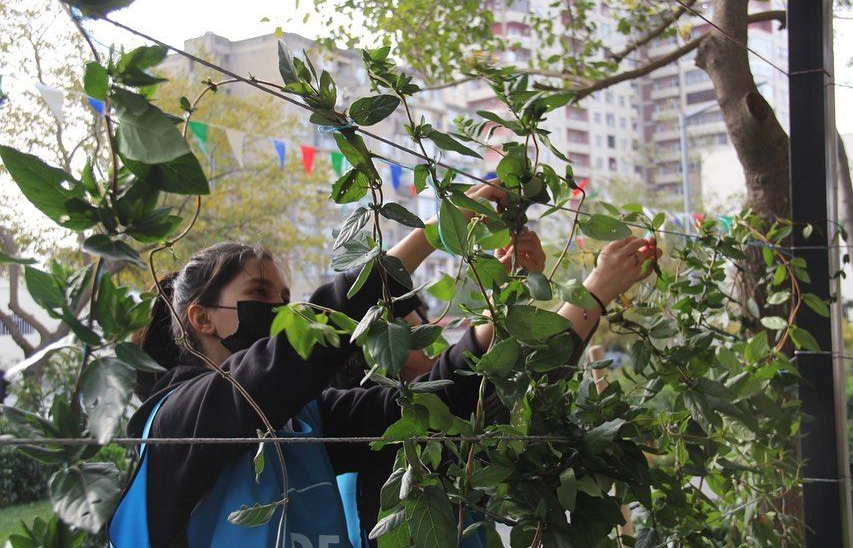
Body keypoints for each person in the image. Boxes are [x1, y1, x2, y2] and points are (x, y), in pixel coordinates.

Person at [108, 180, 659, 547]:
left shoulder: (306, 420)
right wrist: (432, 236)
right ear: (201, 318)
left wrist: (519, 310)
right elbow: (291, 357)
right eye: (261, 294)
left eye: (286, 299)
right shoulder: (178, 423)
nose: (282, 312)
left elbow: (445, 400)